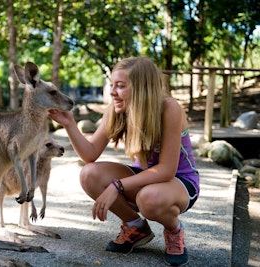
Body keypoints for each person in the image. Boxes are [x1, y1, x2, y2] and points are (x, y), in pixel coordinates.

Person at [48, 56, 199, 266]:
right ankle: (135, 227)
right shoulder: (117, 109)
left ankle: (174, 231)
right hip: (143, 178)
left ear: (141, 88)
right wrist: (69, 124)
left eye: (120, 86)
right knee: (89, 174)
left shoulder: (169, 108)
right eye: (112, 85)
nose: (112, 92)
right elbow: (90, 154)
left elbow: (166, 170)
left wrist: (116, 186)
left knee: (150, 199)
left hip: (179, 182)